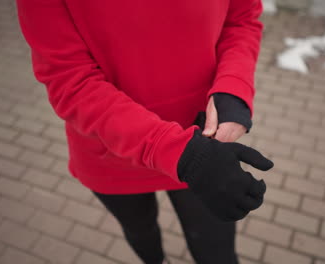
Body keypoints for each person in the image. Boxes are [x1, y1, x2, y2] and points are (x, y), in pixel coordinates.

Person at [16, 0, 274, 263]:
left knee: (216, 253)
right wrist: (174, 150)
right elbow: (69, 77)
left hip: (202, 142)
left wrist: (234, 88)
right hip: (112, 151)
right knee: (141, 232)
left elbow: (241, 18)